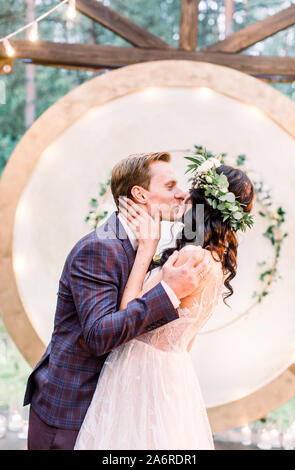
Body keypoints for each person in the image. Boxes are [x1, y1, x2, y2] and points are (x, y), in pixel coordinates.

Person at [24, 152, 212, 450]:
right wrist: (169, 292)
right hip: (71, 410)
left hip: (110, 410)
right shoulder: (101, 248)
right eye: (171, 185)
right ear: (140, 194)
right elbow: (99, 335)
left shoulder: (141, 244)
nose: (182, 192)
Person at [74, 154, 255, 450]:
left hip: (140, 369)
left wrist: (148, 247)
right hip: (175, 370)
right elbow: (189, 338)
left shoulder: (191, 257)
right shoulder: (216, 261)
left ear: (201, 202)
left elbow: (127, 310)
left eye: (189, 192)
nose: (183, 195)